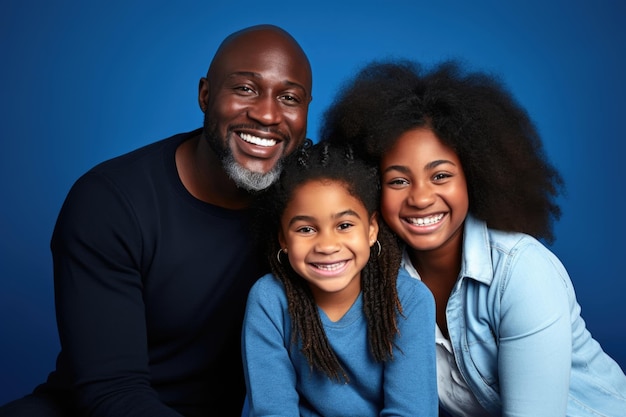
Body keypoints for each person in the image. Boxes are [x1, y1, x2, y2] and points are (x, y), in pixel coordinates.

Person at [0, 24, 312, 417]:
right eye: (245, 89)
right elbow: (112, 392)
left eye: (289, 98)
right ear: (205, 95)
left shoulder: (312, 205)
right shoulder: (111, 201)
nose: (267, 114)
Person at [320, 59, 626, 416]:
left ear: (475, 176)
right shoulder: (378, 279)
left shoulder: (522, 271)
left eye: (440, 176)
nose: (420, 198)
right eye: (398, 181)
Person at [241, 141, 438, 416]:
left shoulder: (409, 301)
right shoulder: (269, 300)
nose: (327, 245)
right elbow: (273, 410)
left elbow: (411, 411)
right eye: (306, 229)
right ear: (283, 239)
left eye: (344, 225)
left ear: (371, 229)